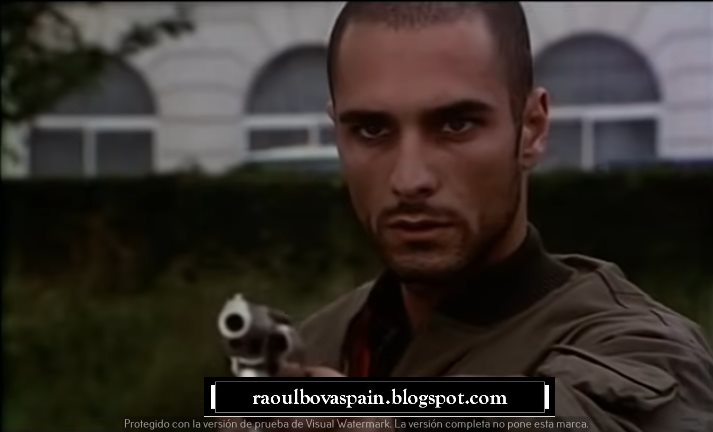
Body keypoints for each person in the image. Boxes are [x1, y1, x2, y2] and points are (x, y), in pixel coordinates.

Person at [229, 2, 713, 431]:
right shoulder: (320, 342)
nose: (410, 179)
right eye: (372, 130)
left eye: (456, 124)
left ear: (532, 128)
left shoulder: (641, 349)